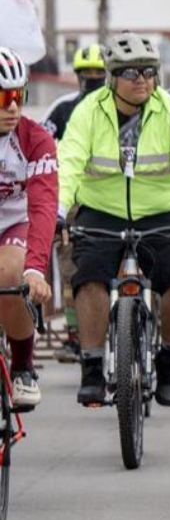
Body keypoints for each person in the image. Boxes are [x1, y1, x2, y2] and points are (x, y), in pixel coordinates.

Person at [59, 32, 170, 408]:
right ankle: (92, 366)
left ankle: (169, 357)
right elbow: (68, 165)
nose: (142, 79)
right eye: (131, 72)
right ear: (111, 77)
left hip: (162, 214)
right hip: (101, 211)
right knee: (88, 277)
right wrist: (59, 212)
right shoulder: (88, 111)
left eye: (149, 71)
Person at [42, 43, 108, 363]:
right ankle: (74, 334)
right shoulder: (62, 109)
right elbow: (40, 145)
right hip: (72, 202)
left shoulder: (120, 108)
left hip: (112, 199)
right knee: (71, 271)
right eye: (87, 74)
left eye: (99, 73)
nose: (93, 79)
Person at [0, 48, 57, 410]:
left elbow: (43, 206)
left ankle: (22, 366)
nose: (13, 108)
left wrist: (35, 267)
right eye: (3, 97)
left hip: (16, 221)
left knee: (10, 273)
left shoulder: (35, 139)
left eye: (19, 96)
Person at [41, 44, 108, 142]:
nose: (94, 77)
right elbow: (39, 140)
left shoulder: (122, 108)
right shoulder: (62, 108)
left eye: (100, 72)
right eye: (87, 72)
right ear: (78, 75)